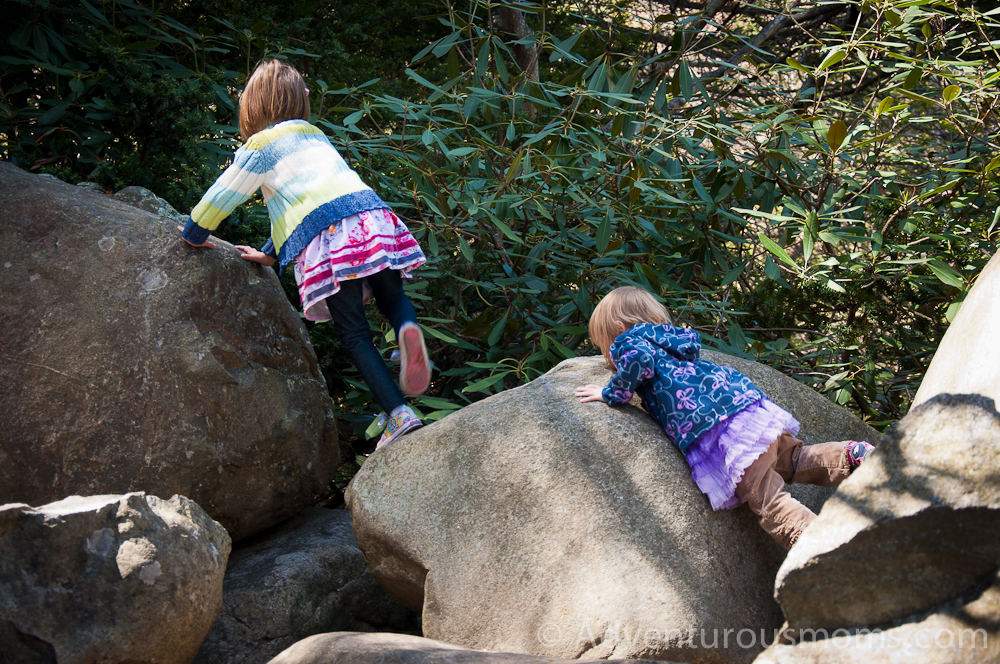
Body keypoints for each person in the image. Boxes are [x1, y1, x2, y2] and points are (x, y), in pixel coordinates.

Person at [178, 59, 429, 449]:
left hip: (330, 238)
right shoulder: (313, 135)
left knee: (355, 333)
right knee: (393, 298)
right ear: (299, 99)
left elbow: (225, 193)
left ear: (253, 104)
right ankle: (406, 331)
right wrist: (271, 255)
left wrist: (195, 232)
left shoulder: (259, 147)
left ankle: (399, 414)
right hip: (371, 218)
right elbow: (303, 205)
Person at [575, 286, 873, 549]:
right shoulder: (670, 340)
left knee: (765, 498)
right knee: (791, 461)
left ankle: (823, 546)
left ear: (619, 326)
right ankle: (853, 456)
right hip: (745, 408)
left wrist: (612, 392)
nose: (607, 355)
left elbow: (637, 362)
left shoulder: (629, 341)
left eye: (604, 345)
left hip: (719, 428)